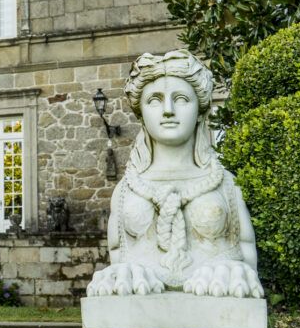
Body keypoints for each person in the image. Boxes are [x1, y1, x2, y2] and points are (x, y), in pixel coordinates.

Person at [87, 50, 264, 299]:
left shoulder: (225, 184)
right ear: (142, 115)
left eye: (181, 99)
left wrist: (235, 269)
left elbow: (247, 257)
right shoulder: (126, 189)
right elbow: (119, 256)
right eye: (155, 100)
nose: (168, 110)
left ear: (201, 111)